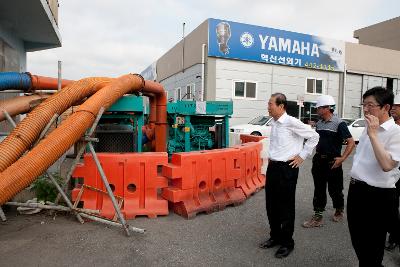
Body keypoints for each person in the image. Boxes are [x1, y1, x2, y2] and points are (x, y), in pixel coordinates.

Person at [259, 93, 319, 258]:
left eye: (270, 104)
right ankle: (275, 237)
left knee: (285, 207)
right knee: (271, 205)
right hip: (273, 167)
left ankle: (287, 243)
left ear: (281, 106)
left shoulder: (291, 122)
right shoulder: (275, 122)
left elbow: (314, 136)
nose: (268, 106)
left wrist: (302, 156)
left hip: (287, 168)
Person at [347, 87, 400, 266]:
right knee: (358, 241)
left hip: (378, 196)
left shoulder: (396, 132)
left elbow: (387, 165)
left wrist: (373, 135)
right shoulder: (369, 126)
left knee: (372, 246)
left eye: (370, 105)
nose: (366, 109)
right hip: (356, 190)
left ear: (386, 107)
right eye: (364, 105)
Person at [303, 95, 355, 228]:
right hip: (319, 161)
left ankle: (339, 209)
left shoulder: (339, 123)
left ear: (327, 108)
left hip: (333, 162)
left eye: (319, 107)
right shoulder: (319, 123)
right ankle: (318, 216)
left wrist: (342, 158)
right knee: (319, 189)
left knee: (335, 189)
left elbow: (351, 142)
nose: (317, 109)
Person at [385, 93, 400, 251]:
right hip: (393, 173)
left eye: (397, 105)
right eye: (393, 105)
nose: (393, 108)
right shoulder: (390, 126)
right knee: (392, 207)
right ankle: (394, 236)